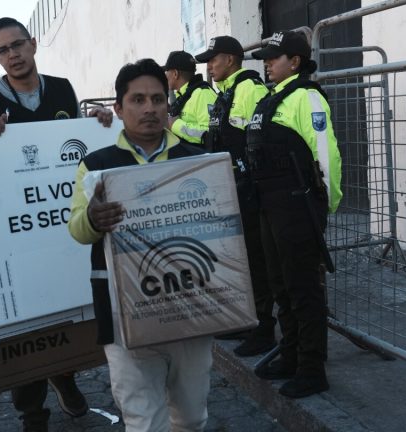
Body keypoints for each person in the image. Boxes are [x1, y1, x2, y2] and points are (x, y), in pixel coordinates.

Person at [0, 17, 112, 431]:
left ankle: (64, 377)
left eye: (17, 45)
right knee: (23, 319)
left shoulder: (63, 89)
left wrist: (100, 123)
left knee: (65, 305)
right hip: (12, 231)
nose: (12, 55)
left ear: (32, 44)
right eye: (2, 50)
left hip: (61, 226)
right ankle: (32, 413)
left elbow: (80, 148)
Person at [68, 58, 211, 432]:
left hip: (191, 307)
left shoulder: (198, 161)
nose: (149, 108)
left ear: (168, 104)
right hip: (124, 312)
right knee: (144, 422)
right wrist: (93, 219)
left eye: (157, 99)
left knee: (192, 417)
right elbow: (78, 229)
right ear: (118, 108)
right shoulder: (96, 166)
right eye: (137, 100)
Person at [246, 31, 342, 399]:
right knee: (281, 286)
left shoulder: (307, 97)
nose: (268, 64)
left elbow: (325, 154)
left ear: (296, 61)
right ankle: (290, 356)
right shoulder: (272, 98)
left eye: (275, 57)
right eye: (266, 58)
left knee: (303, 289)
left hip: (298, 206)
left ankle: (312, 369)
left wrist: (325, 204)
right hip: (271, 206)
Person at [194, 36, 276, 357]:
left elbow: (262, 140)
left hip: (250, 191)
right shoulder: (225, 93)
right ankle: (247, 320)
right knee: (240, 259)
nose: (209, 67)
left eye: (212, 60)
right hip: (231, 188)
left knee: (257, 259)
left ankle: (264, 329)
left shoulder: (250, 89)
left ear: (230, 59)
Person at [162, 50, 216, 144]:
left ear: (175, 74)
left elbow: (210, 134)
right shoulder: (184, 95)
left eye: (167, 72)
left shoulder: (203, 94)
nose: (165, 76)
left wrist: (175, 125)